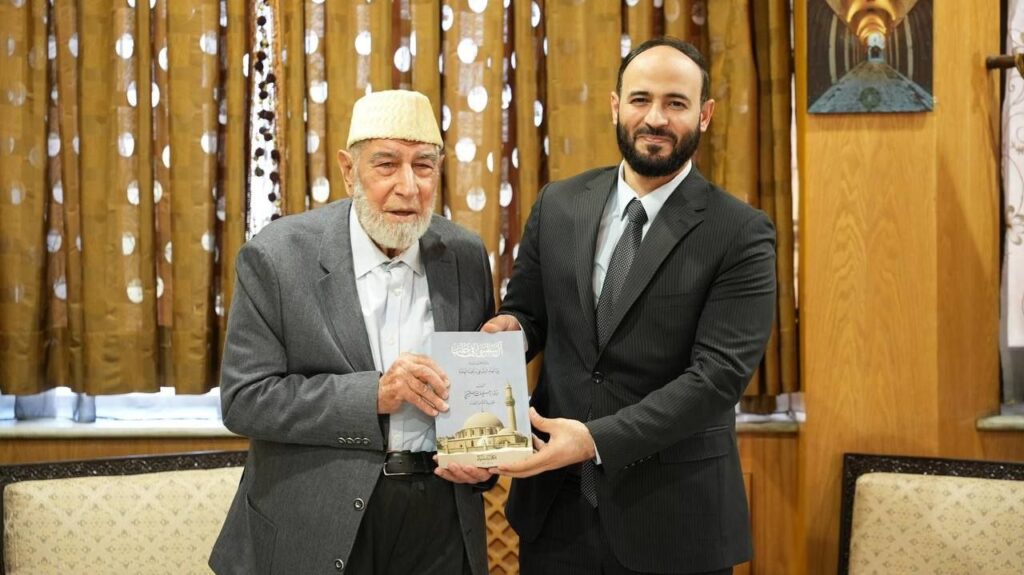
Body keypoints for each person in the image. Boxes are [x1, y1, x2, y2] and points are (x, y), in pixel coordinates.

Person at [483, 37, 777, 575]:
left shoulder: (741, 232)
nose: (655, 118)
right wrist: (509, 330)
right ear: (615, 106)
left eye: (676, 103)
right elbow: (528, 313)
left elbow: (717, 378)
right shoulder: (558, 204)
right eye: (641, 99)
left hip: (673, 522)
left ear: (705, 115)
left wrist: (594, 440)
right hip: (554, 515)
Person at [210, 90, 496, 575]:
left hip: (441, 521)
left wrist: (482, 462)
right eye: (386, 165)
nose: (408, 187)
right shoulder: (278, 257)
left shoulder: (464, 254)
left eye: (423, 166)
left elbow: (475, 391)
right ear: (348, 170)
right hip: (315, 518)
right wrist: (374, 395)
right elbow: (245, 400)